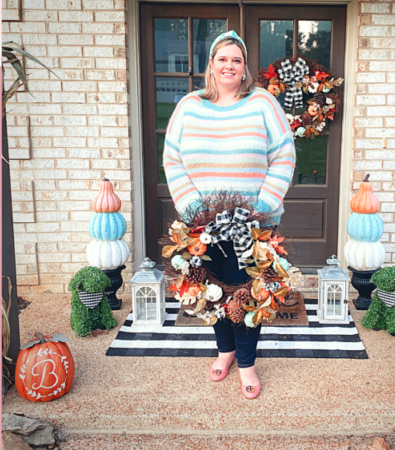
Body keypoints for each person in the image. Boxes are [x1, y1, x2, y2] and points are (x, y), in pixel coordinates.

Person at [162, 30, 296, 399]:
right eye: (222, 58)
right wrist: (194, 209)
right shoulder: (189, 106)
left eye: (236, 59)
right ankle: (226, 350)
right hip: (202, 226)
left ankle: (248, 363)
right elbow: (172, 159)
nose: (229, 65)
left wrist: (262, 206)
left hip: (254, 226)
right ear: (211, 65)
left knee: (250, 295)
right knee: (213, 292)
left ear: (244, 67)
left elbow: (284, 154)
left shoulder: (263, 103)